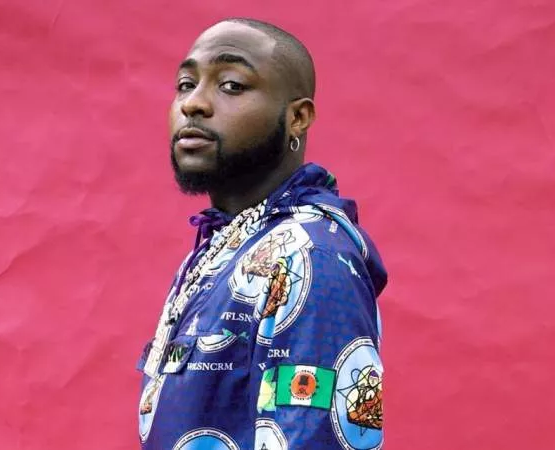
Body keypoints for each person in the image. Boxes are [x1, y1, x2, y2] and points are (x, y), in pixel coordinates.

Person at [136, 17, 388, 450]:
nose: (193, 104)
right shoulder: (220, 246)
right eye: (185, 84)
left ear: (297, 118)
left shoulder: (310, 256)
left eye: (231, 85)